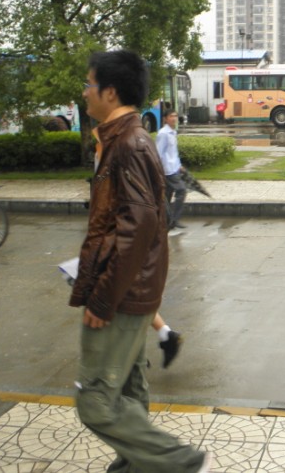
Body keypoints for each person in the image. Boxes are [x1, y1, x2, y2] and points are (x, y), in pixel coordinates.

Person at [69, 50, 209, 473]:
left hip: (123, 293)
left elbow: (138, 228)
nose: (84, 92)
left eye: (89, 85)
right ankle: (133, 463)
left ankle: (180, 462)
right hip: (134, 290)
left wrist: (102, 298)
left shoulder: (128, 144)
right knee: (128, 387)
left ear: (110, 92)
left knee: (94, 399)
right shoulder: (118, 139)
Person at [157, 109, 188, 230]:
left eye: (175, 116)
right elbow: (159, 153)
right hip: (167, 170)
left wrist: (179, 165)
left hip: (174, 168)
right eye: (171, 116)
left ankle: (165, 221)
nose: (174, 118)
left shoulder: (172, 132)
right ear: (165, 118)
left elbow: (173, 152)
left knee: (167, 195)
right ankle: (173, 220)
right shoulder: (163, 134)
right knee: (182, 190)